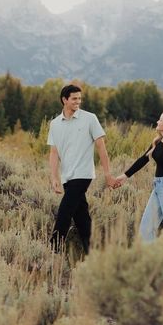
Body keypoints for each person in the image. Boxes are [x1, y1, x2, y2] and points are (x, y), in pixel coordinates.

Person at [47, 83, 117, 254]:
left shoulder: (89, 118)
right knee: (81, 218)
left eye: (79, 98)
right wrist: (55, 178)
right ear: (64, 100)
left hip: (83, 174)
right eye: (74, 99)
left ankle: (52, 251)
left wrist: (108, 174)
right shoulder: (55, 124)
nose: (78, 101)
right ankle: (93, 253)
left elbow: (101, 147)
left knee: (64, 212)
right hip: (67, 176)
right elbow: (54, 153)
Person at [115, 110, 163, 242]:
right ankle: (151, 260)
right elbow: (143, 159)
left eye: (161, 120)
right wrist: (125, 175)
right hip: (158, 188)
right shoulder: (158, 142)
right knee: (146, 228)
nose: (157, 122)